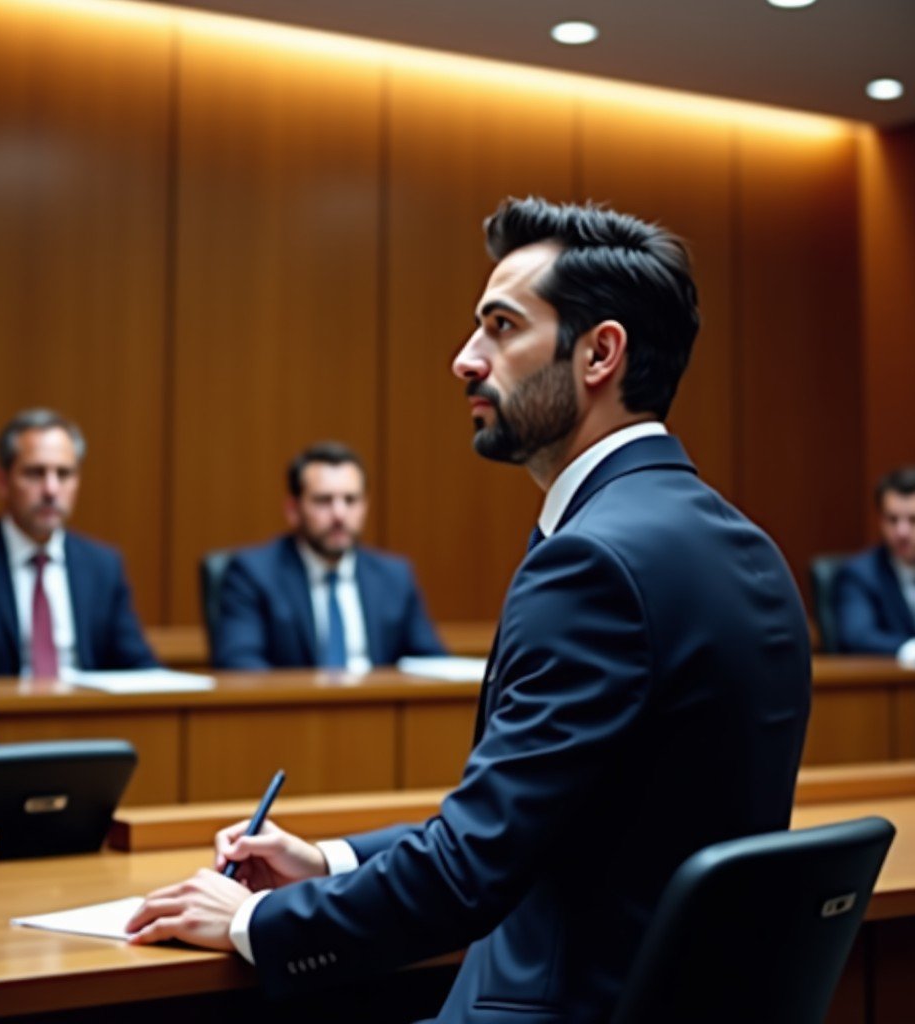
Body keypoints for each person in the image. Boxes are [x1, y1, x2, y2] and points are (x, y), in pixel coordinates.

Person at [126, 197, 811, 1023]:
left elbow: (468, 875)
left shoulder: (591, 561)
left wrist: (251, 921)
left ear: (600, 353)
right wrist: (330, 860)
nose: (464, 360)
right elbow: (546, 821)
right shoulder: (746, 544)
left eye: (501, 326)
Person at [0, 408, 158, 677]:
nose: (51, 489)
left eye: (64, 474)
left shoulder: (103, 566)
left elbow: (140, 666)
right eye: (35, 473)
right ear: (2, 482)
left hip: (83, 703)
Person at [212, 441, 444, 670]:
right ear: (293, 510)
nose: (339, 514)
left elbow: (433, 662)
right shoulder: (253, 574)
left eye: (350, 500)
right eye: (323, 500)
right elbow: (239, 664)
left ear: (365, 507)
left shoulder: (394, 577)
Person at [834, 466, 915, 666]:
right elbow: (857, 636)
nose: (902, 532)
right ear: (880, 521)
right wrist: (907, 648)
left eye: (913, 520)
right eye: (892, 520)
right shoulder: (859, 574)